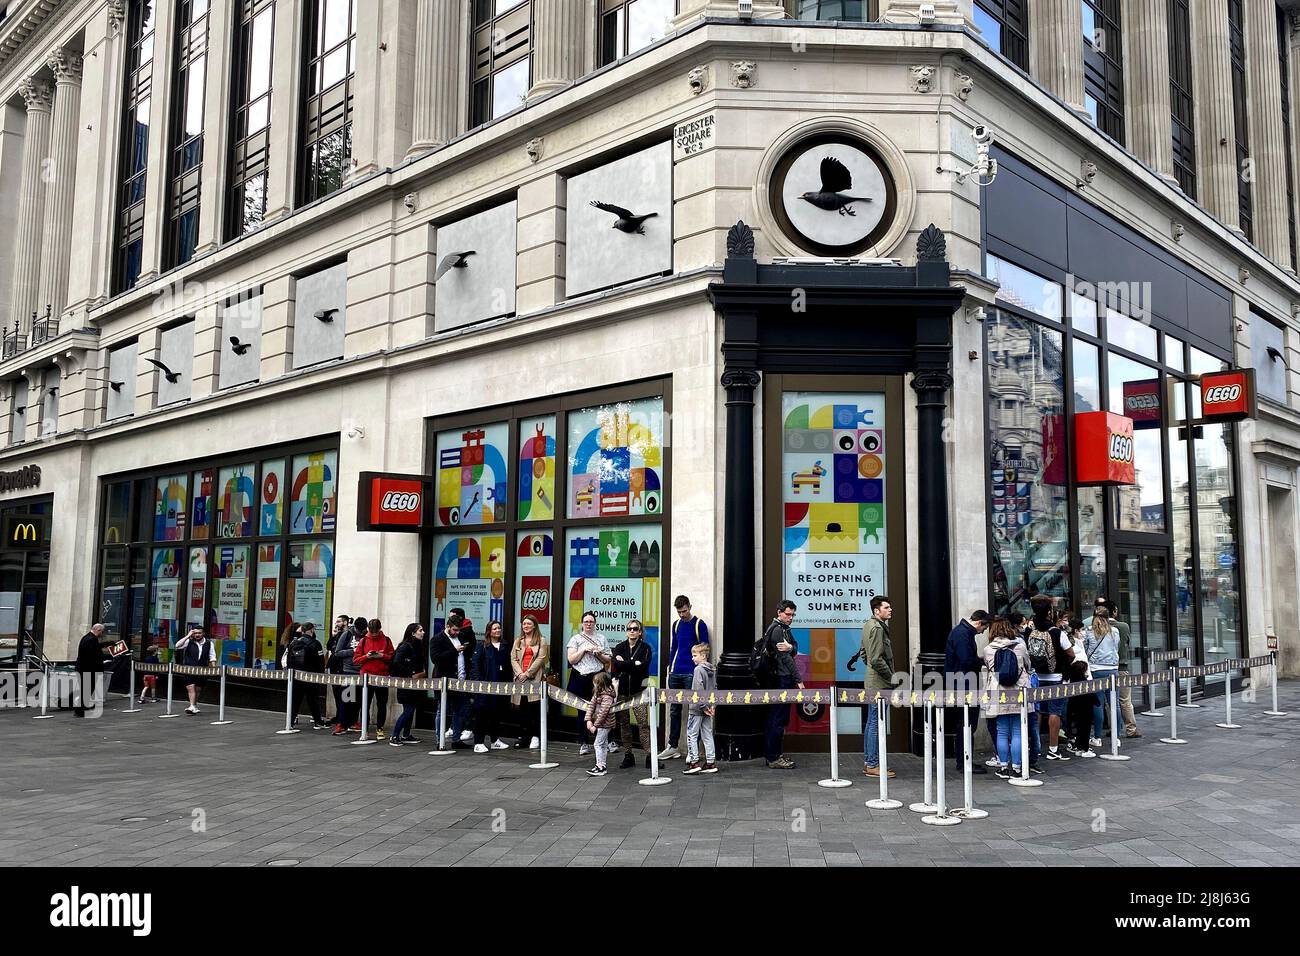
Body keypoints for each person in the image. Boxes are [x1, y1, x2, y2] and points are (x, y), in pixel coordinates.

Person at [658, 595, 710, 761]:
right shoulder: (676, 624)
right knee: (674, 710)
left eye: (684, 611)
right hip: (675, 672)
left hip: (691, 673)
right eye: (679, 611)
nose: (682, 614)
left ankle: (694, 749)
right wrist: (669, 669)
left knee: (694, 710)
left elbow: (705, 649)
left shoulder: (699, 624)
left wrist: (700, 670)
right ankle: (673, 746)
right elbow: (674, 647)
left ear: (690, 607)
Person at [981, 617, 1032, 779]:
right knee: (1018, 731)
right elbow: (1027, 665)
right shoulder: (1020, 646)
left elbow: (989, 670)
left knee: (1001, 731)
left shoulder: (988, 649)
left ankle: (1003, 767)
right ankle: (1017, 768)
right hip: (1019, 691)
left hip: (998, 692)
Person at [1025, 595, 1071, 763]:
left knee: (1036, 712)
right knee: (1054, 712)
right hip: (1055, 676)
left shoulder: (1029, 631)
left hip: (1036, 677)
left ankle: (1035, 748)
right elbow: (1070, 653)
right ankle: (1053, 749)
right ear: (1049, 612)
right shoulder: (1056, 632)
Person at [759, 600, 804, 770]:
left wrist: (791, 647)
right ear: (779, 612)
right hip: (781, 678)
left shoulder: (784, 629)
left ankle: (774, 754)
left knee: (779, 718)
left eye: (792, 615)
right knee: (777, 719)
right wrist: (799, 680)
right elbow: (787, 658)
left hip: (782, 678)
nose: (790, 617)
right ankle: (773, 757)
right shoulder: (778, 630)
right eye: (787, 614)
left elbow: (795, 648)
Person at [944, 609, 990, 775]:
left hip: (962, 683)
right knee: (967, 723)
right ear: (979, 622)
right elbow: (965, 660)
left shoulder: (962, 632)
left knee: (966, 723)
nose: (983, 631)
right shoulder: (963, 634)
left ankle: (964, 760)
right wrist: (981, 661)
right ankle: (964, 761)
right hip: (964, 684)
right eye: (984, 628)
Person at [566, 610, 611, 756]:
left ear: (595, 623)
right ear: (582, 623)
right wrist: (584, 650)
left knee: (602, 710)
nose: (588, 624)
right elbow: (572, 660)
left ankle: (605, 741)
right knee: (583, 710)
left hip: (597, 678)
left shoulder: (601, 638)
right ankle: (584, 742)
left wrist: (598, 653)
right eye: (586, 621)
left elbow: (607, 660)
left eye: (591, 621)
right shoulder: (575, 639)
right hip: (580, 677)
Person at [860, 595, 896, 778]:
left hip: (874, 681)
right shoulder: (876, 628)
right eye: (886, 607)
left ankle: (870, 762)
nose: (890, 610)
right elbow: (874, 658)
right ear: (877, 610)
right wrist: (892, 678)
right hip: (879, 683)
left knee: (872, 722)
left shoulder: (870, 625)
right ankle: (873, 764)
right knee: (875, 723)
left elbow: (864, 654)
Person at [612, 618, 654, 769]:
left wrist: (625, 663)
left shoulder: (646, 648)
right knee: (624, 724)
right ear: (626, 631)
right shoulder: (619, 647)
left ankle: (650, 756)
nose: (632, 631)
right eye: (629, 628)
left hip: (639, 693)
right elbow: (616, 665)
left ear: (640, 632)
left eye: (635, 629)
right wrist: (632, 663)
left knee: (643, 724)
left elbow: (643, 667)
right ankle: (628, 755)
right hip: (622, 692)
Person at [1095, 598, 1140, 738]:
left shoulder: (1096, 627)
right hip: (1121, 666)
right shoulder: (1123, 626)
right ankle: (1131, 729)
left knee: (1108, 702)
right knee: (1124, 700)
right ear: (1113, 612)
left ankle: (1114, 728)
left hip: (1101, 668)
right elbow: (1125, 643)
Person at [430, 612, 472, 748]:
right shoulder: (437, 639)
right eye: (454, 629)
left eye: (459, 630)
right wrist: (454, 650)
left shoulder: (461, 636)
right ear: (448, 626)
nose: (456, 632)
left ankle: (456, 740)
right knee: (441, 710)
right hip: (444, 680)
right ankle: (439, 741)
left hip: (460, 680)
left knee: (459, 710)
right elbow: (435, 658)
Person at [471, 621, 512, 752]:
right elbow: (475, 666)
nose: (497, 630)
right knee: (482, 714)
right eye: (494, 628)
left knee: (496, 714)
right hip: (485, 685)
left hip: (501, 686)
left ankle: (495, 740)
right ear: (489, 631)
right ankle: (478, 742)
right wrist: (478, 682)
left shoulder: (505, 646)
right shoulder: (482, 646)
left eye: (499, 628)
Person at [1084, 611, 1121, 748]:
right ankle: (1116, 737)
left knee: (1098, 704)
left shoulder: (1089, 631)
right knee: (1114, 703)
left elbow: (1086, 648)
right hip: (1112, 668)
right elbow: (1116, 647)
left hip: (1095, 669)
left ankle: (1097, 737)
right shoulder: (1115, 631)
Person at [353, 618, 394, 740]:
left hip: (382, 676)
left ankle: (380, 728)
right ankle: (364, 728)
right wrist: (367, 656)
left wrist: (382, 656)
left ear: (380, 629)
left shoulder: (387, 640)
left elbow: (392, 657)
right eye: (372, 632)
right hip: (367, 677)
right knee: (365, 703)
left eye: (376, 632)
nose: (374, 634)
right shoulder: (364, 641)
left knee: (382, 704)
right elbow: (356, 659)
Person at [510, 615, 547, 749]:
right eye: (524, 624)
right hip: (520, 680)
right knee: (522, 708)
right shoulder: (518, 641)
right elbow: (513, 658)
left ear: (534, 626)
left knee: (534, 708)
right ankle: (523, 736)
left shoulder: (541, 640)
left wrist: (528, 673)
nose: (525, 626)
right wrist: (520, 673)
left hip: (534, 679)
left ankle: (535, 736)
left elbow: (541, 658)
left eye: (528, 624)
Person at [682, 642, 718, 774]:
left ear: (703, 656)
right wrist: (712, 706)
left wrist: (702, 706)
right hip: (709, 707)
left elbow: (698, 690)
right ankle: (710, 762)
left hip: (697, 708)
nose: (692, 658)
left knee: (692, 734)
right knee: (707, 734)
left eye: (694, 655)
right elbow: (715, 689)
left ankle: (694, 762)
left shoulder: (698, 670)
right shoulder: (712, 670)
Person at [1062, 613, 1095, 757]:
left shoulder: (1079, 643)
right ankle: (1076, 742)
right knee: (1076, 716)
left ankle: (1080, 743)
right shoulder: (1070, 646)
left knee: (1081, 716)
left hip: (1083, 682)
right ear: (1075, 630)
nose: (1084, 632)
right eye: (1081, 630)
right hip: (1076, 683)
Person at [389, 623, 427, 746]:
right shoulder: (405, 646)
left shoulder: (417, 646)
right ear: (413, 633)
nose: (423, 632)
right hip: (406, 684)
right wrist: (411, 673)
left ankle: (406, 734)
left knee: (411, 710)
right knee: (408, 710)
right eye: (420, 630)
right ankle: (394, 736)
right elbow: (396, 663)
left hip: (415, 684)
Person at [443, 609, 477, 744]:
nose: (450, 619)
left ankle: (467, 727)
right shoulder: (444, 636)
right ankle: (453, 728)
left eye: (453, 617)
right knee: (451, 705)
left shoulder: (465, 632)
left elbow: (469, 650)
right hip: (451, 676)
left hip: (464, 673)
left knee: (464, 702)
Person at [329, 615, 365, 735]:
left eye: (363, 631)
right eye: (360, 631)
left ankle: (353, 722)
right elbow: (338, 652)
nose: (361, 633)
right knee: (347, 698)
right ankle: (341, 723)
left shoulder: (366, 636)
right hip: (348, 671)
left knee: (358, 700)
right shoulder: (347, 634)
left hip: (361, 671)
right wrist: (353, 651)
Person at [287, 621, 327, 729]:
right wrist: (321, 676)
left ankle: (290, 722)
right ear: (312, 630)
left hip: (296, 677)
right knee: (313, 700)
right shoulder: (315, 643)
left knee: (295, 700)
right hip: (311, 677)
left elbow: (288, 661)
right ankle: (318, 721)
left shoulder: (293, 643)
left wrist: (291, 675)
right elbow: (320, 662)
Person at [174, 626, 216, 714]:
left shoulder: (209, 643)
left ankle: (194, 705)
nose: (197, 635)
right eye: (195, 633)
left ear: (203, 633)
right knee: (190, 687)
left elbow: (212, 657)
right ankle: (192, 706)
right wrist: (188, 635)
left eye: (199, 633)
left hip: (201, 670)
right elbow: (177, 645)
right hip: (189, 669)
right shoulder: (189, 641)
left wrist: (214, 669)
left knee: (197, 689)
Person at [583, 671, 617, 777]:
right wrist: (588, 720)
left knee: (598, 744)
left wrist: (595, 725)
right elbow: (591, 706)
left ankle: (600, 767)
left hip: (605, 724)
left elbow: (603, 713)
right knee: (602, 744)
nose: (594, 684)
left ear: (600, 684)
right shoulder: (597, 693)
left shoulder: (607, 696)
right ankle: (601, 766)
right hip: (601, 724)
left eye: (595, 682)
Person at [74, 623, 106, 718]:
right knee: (87, 690)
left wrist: (108, 644)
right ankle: (79, 711)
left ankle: (83, 708)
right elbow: (94, 654)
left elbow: (96, 648)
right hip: (88, 669)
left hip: (84, 668)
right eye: (102, 632)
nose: (102, 634)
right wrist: (109, 656)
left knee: (86, 690)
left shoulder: (88, 637)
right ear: (98, 630)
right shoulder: (91, 639)